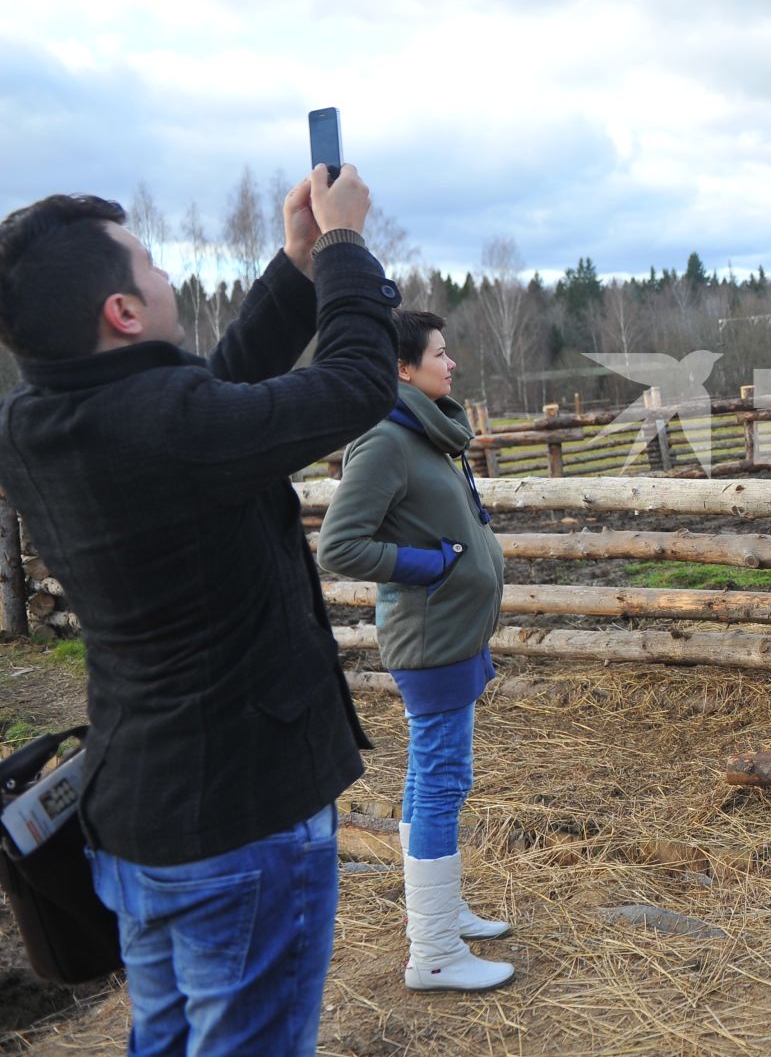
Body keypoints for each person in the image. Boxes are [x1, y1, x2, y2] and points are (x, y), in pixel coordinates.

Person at [0, 166, 399, 1055]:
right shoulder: (167, 427)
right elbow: (360, 381)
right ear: (123, 313)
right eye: (148, 263)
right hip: (241, 823)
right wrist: (341, 248)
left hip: (139, 818)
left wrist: (295, 268)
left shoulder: (32, 423)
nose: (166, 274)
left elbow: (205, 403)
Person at [317, 310, 512, 992]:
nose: (451, 362)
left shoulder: (430, 431)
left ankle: (442, 908)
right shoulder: (385, 440)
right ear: (403, 367)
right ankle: (431, 951)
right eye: (440, 352)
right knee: (440, 779)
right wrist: (429, 566)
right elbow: (338, 545)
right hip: (430, 639)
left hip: (455, 634)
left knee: (438, 778)